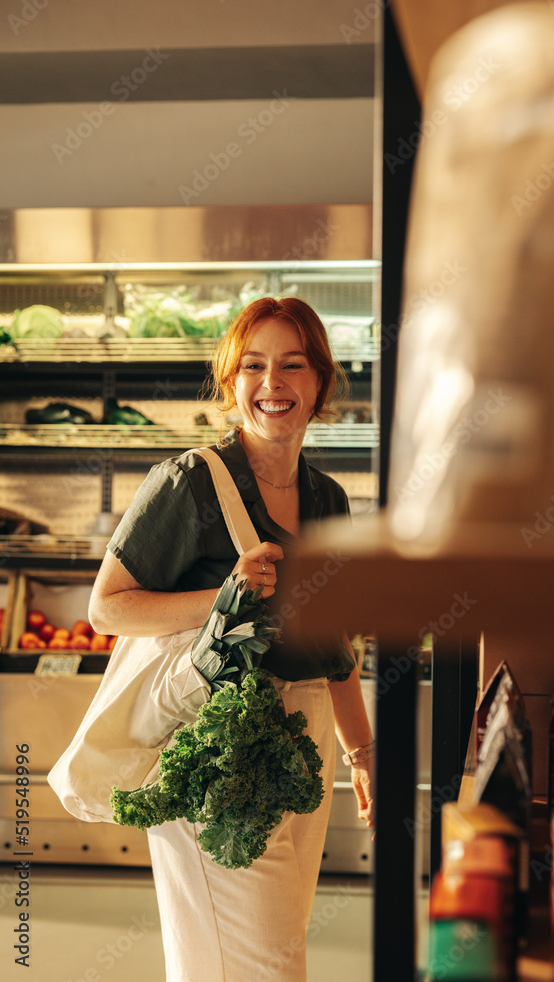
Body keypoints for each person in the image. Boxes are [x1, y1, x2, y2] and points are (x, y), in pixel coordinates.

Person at [88, 296, 375, 982]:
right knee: (262, 963)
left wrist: (362, 749)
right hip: (218, 748)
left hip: (301, 748)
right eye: (253, 366)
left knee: (257, 953)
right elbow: (107, 608)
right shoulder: (190, 483)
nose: (271, 383)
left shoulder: (328, 498)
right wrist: (224, 598)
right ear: (230, 381)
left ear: (320, 385)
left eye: (291, 365)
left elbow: (333, 645)